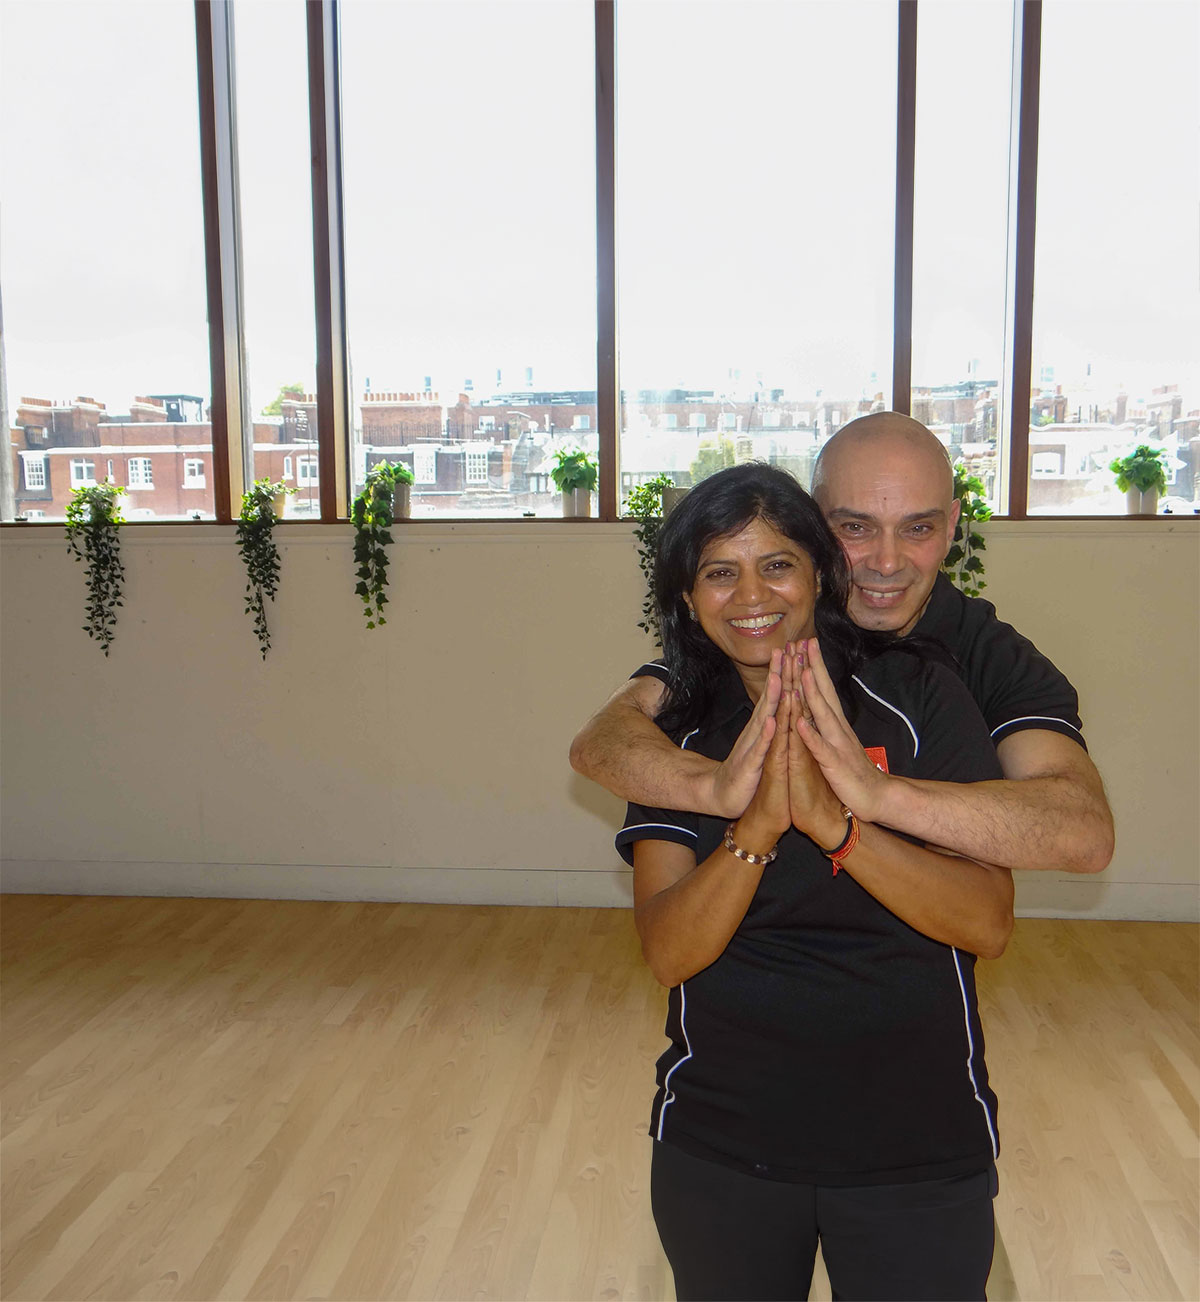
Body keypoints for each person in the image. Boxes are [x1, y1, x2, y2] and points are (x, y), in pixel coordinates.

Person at [619, 463, 1012, 1300]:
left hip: (920, 1147)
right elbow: (668, 951)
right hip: (723, 1146)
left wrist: (838, 826)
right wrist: (756, 829)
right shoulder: (675, 736)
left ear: (820, 576)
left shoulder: (917, 694)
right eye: (719, 571)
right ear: (688, 598)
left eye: (777, 564)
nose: (751, 593)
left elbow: (986, 922)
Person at [571, 412, 1114, 877]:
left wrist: (878, 794)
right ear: (810, 525)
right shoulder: (769, 625)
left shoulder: (987, 653)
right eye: (855, 528)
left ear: (951, 528)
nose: (886, 561)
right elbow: (605, 737)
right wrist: (716, 790)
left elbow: (1082, 831)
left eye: (917, 529)